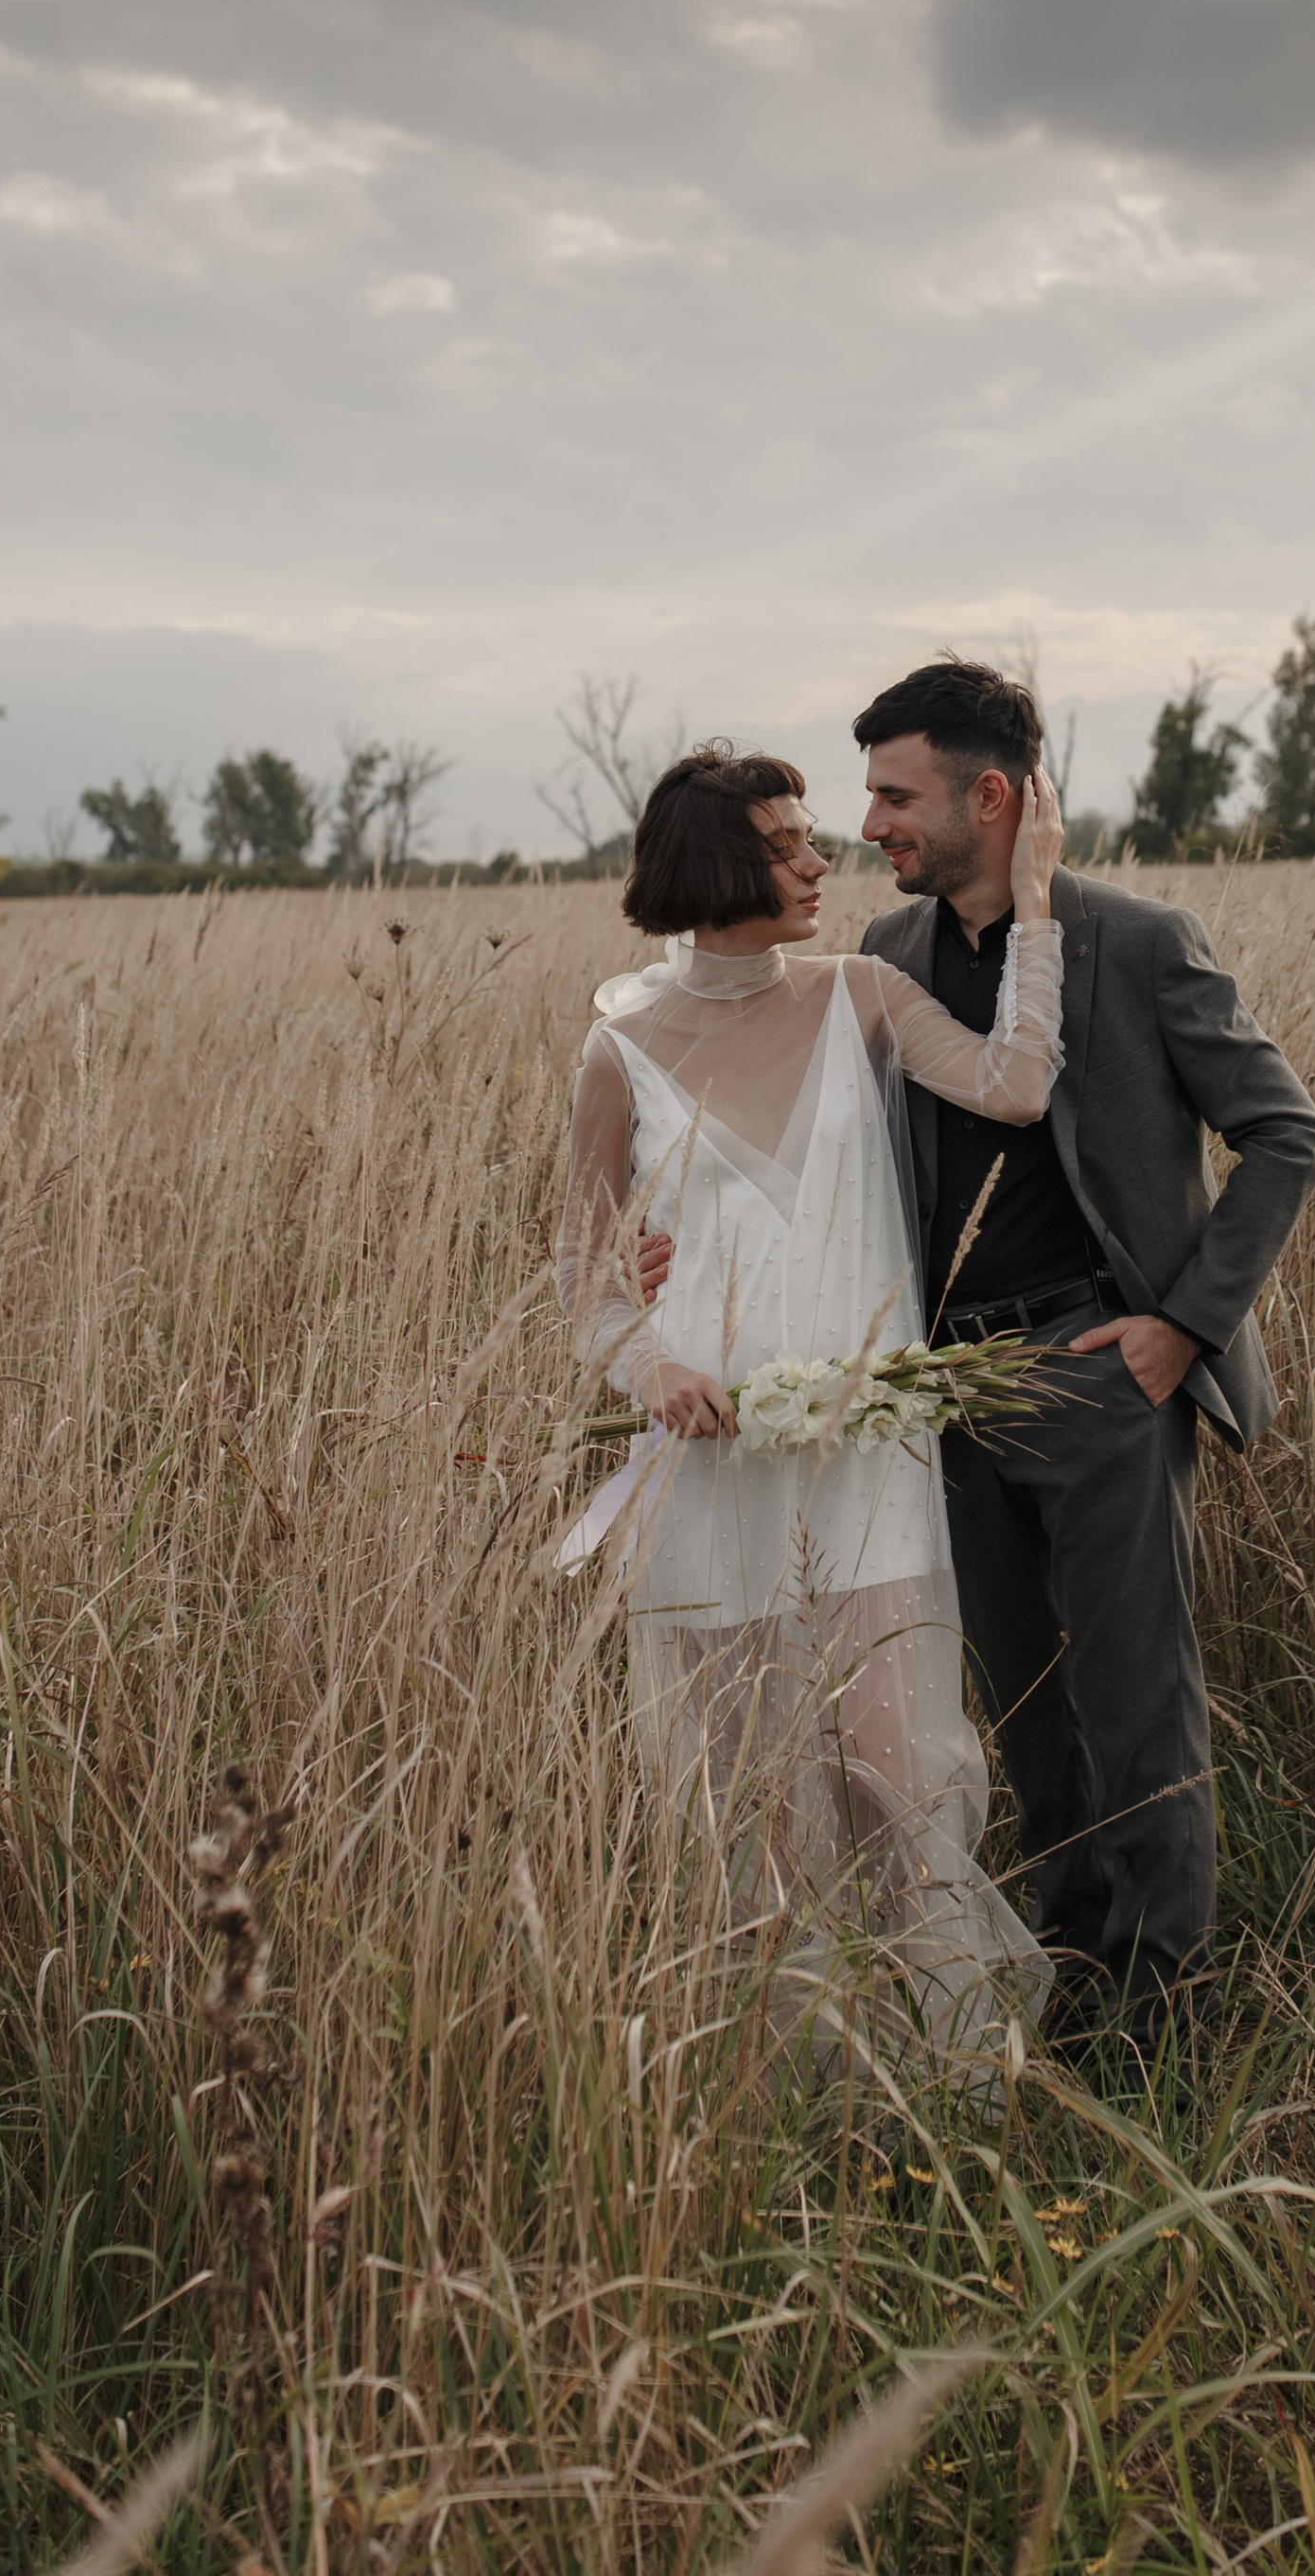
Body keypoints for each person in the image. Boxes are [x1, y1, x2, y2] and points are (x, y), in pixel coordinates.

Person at [555, 739, 1068, 2081]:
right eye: (786, 847)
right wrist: (648, 1366)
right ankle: (802, 2103)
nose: (818, 861)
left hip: (867, 1454)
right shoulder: (618, 1052)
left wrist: (1043, 903)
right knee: (764, 1808)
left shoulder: (866, 995)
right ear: (713, 868)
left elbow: (1015, 1083)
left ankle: (957, 2086)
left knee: (902, 1775)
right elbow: (586, 1277)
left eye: (809, 840)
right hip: (714, 1480)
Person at [854, 656, 1315, 2051]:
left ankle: (1169, 2021)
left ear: (988, 795)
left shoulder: (1138, 939)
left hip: (1104, 1373)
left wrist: (1184, 1328)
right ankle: (1073, 1984)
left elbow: (1287, 1134)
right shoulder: (886, 962)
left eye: (897, 792)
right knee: (1023, 1704)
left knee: (1140, 1703)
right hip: (949, 1388)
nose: (871, 820)